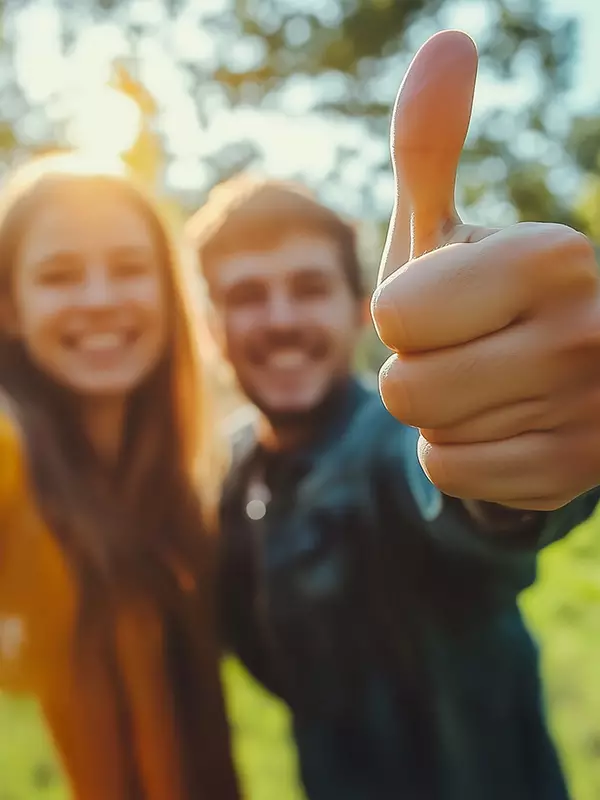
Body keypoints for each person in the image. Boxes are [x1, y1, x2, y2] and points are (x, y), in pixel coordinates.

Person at [186, 31, 600, 800]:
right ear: (212, 331)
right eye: (246, 296)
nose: (279, 320)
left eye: (307, 287)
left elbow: (451, 494)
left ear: (356, 308)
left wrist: (499, 446)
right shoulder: (237, 476)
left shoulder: (396, 443)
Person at [0, 152, 240, 800]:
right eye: (59, 276)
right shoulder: (8, 456)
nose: (101, 300)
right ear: (9, 309)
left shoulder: (180, 491)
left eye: (131, 269)